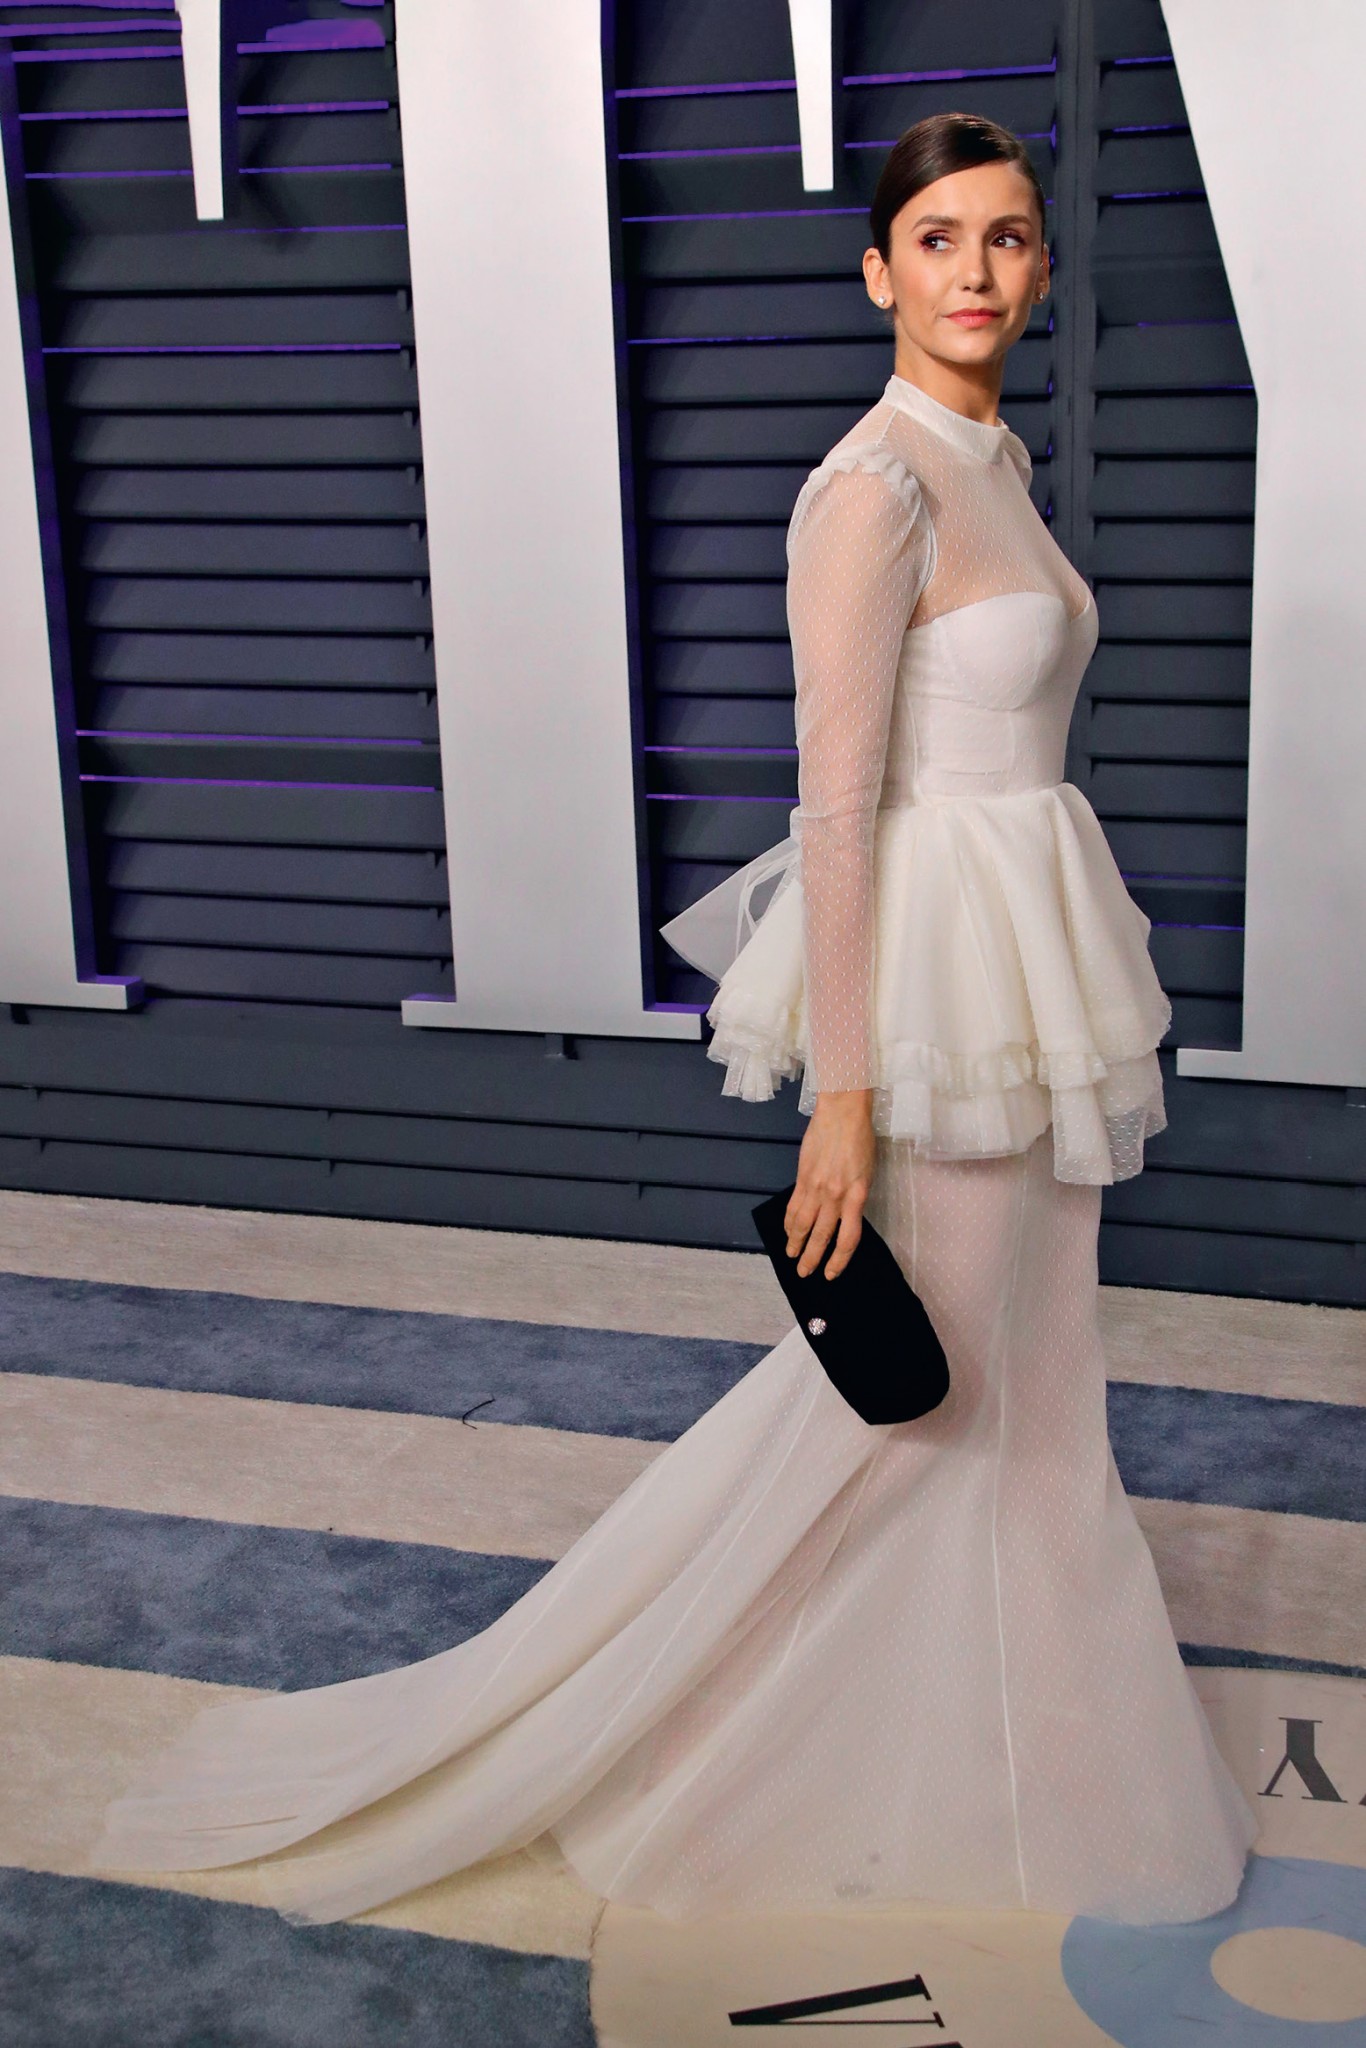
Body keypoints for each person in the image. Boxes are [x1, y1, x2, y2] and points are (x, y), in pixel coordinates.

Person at [92, 112, 1257, 1929]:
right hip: (938, 993)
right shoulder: (869, 489)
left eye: (1008, 235)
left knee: (1032, 1379)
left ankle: (1032, 1748)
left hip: (1024, 961)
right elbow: (836, 810)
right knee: (920, 1392)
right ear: (876, 273)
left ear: (1039, 264)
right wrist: (843, 1100)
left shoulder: (997, 461)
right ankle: (712, 1736)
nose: (975, 270)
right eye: (937, 238)